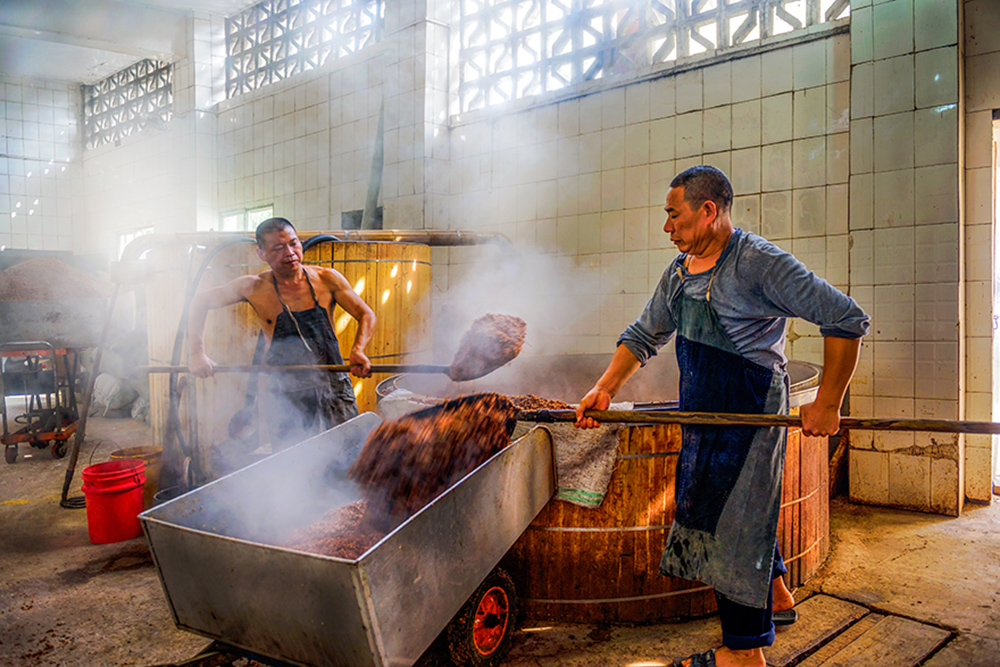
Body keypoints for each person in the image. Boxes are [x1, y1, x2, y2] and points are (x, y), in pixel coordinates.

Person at [575, 166, 869, 667]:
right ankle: (776, 594)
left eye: (674, 215)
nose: (667, 227)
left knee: (736, 522)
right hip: (704, 413)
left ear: (708, 210)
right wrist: (604, 388)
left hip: (751, 414)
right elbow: (644, 335)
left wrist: (829, 402)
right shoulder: (679, 271)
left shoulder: (757, 263)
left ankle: (743, 654)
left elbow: (845, 316)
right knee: (733, 509)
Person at [189, 217, 376, 451]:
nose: (290, 253)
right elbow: (200, 301)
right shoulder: (254, 287)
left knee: (348, 452)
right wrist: (197, 353)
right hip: (286, 391)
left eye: (294, 243)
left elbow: (366, 314)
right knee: (293, 459)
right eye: (278, 248)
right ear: (262, 254)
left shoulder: (327, 279)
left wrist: (358, 350)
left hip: (333, 384)